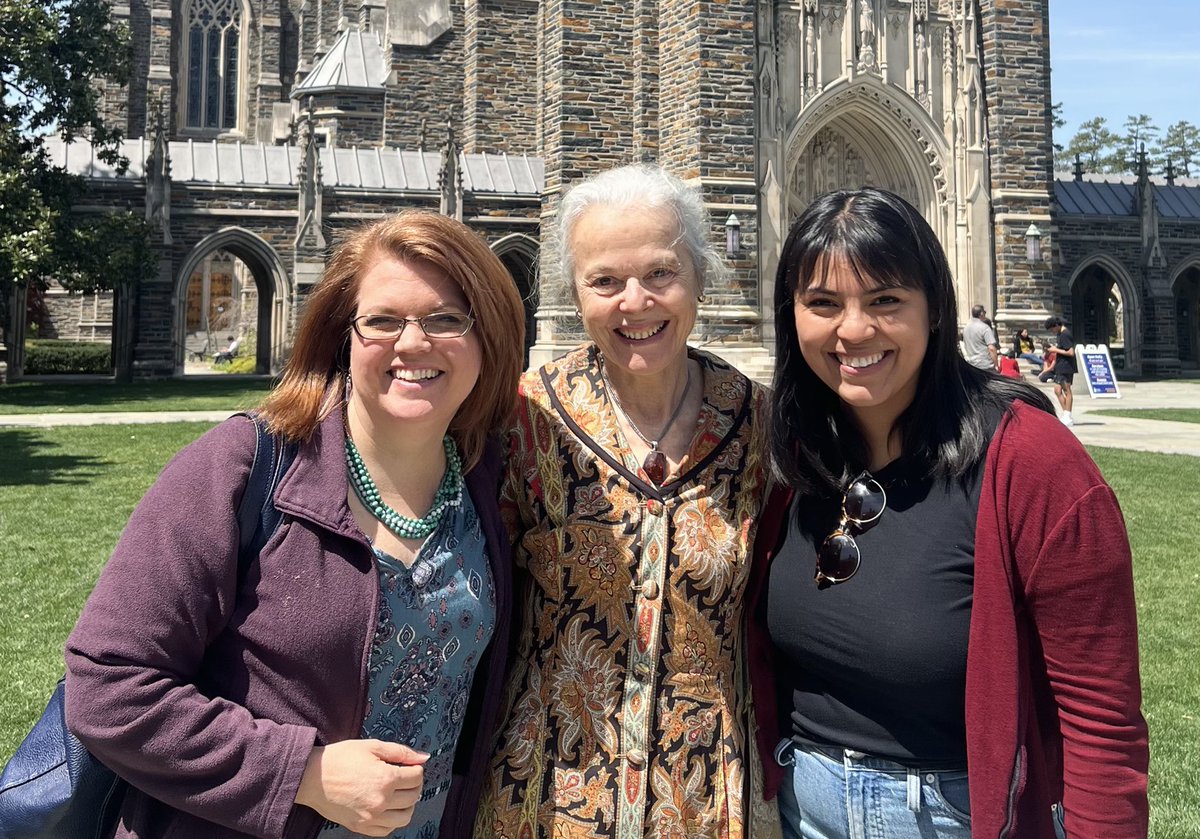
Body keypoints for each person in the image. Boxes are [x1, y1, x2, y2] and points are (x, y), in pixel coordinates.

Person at [64, 211, 527, 839]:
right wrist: (303, 773)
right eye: (383, 320)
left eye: (447, 319)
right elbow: (108, 683)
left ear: (487, 339)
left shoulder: (490, 478)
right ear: (343, 337)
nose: (413, 343)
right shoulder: (242, 465)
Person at [747, 188, 1148, 838]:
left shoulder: (1033, 461)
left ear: (935, 310)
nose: (853, 329)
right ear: (790, 315)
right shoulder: (796, 455)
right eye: (823, 303)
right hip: (799, 806)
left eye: (885, 300)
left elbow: (1101, 720)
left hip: (951, 816)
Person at [476, 163, 777, 837]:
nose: (634, 302)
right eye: (605, 281)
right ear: (575, 294)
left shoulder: (756, 423)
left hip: (705, 798)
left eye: (661, 273)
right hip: (546, 794)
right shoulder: (527, 418)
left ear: (700, 278)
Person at [1045, 316, 1077, 426]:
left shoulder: (1065, 334)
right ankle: (1066, 413)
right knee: (1057, 390)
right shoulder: (1060, 335)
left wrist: (1055, 350)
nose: (1052, 332)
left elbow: (1071, 352)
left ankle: (1068, 415)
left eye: (1052, 329)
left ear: (1057, 326)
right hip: (1060, 366)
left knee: (1066, 390)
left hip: (1066, 366)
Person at [961, 303, 998, 370]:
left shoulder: (966, 328)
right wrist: (996, 365)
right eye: (985, 312)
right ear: (981, 313)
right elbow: (991, 348)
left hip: (971, 364)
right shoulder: (985, 328)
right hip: (985, 364)